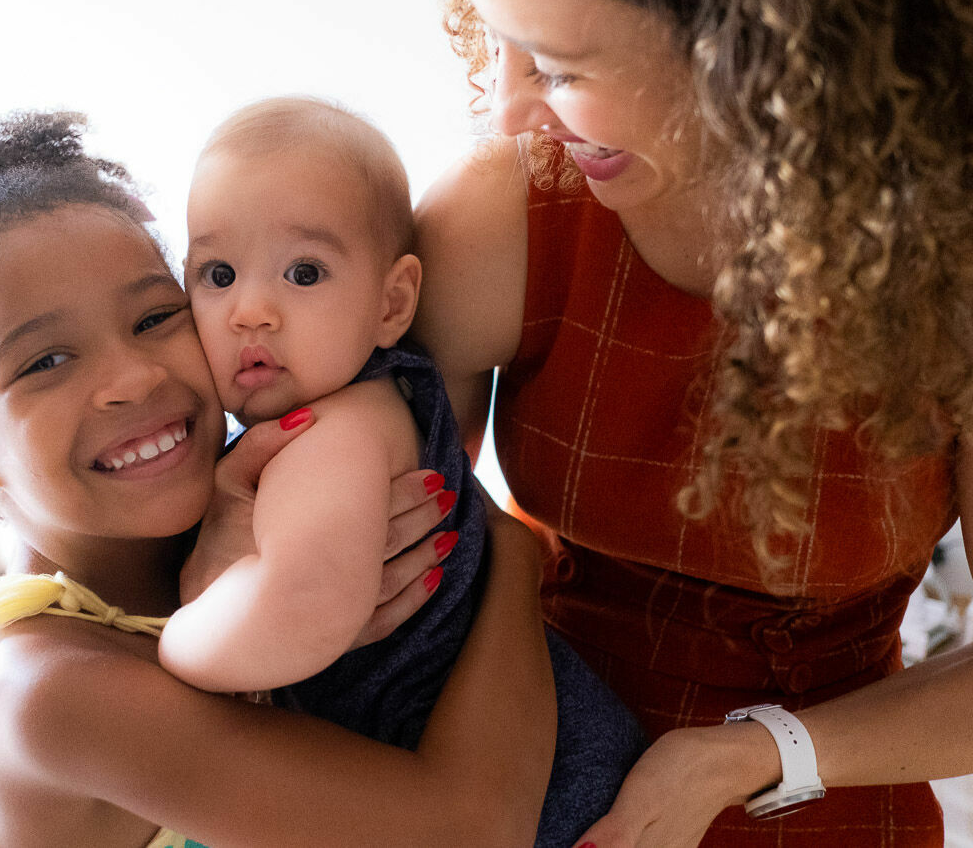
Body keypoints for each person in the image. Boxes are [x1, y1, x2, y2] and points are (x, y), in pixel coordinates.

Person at [412, 0, 973, 845]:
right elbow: (381, 533)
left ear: (771, 35)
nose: (510, 107)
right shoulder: (507, 207)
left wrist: (750, 754)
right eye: (499, 36)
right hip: (526, 753)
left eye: (564, 65)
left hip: (825, 773)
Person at [0, 111, 558, 848]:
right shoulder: (46, 691)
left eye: (157, 317)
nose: (132, 377)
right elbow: (473, 830)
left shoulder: (248, 495)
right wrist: (515, 558)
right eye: (46, 362)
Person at [175, 95, 645, 847]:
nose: (250, 310)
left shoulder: (336, 434)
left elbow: (306, 602)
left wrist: (174, 639)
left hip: (554, 798)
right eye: (218, 272)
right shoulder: (379, 397)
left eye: (303, 271)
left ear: (393, 303)